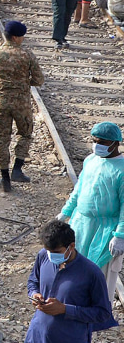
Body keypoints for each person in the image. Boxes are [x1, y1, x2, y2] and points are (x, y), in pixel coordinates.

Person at [23, 220, 118, 343]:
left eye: (56, 252)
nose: (51, 256)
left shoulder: (91, 273)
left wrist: (65, 309)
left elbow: (103, 313)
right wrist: (35, 294)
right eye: (49, 251)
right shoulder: (43, 256)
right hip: (37, 340)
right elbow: (33, 281)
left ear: (71, 246)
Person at [0, 20, 45, 191]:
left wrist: (0, 82)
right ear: (16, 37)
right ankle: (17, 169)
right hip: (22, 103)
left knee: (2, 139)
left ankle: (4, 178)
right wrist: (23, 82)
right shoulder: (28, 55)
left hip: (1, 102)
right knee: (25, 134)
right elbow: (39, 80)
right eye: (22, 36)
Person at [58, 121, 124, 284]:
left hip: (105, 231)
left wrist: (120, 235)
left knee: (99, 277)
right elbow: (80, 189)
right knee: (75, 269)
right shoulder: (90, 160)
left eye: (102, 142)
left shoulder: (121, 169)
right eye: (94, 141)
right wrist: (66, 211)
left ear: (115, 143)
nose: (96, 145)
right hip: (81, 224)